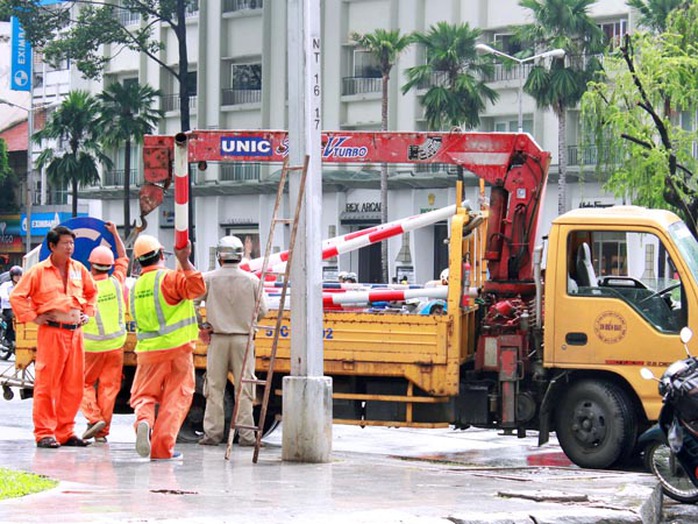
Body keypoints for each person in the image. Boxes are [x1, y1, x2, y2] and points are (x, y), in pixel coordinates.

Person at [10, 225, 98, 449]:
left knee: (73, 385)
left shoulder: (78, 269)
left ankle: (65, 431)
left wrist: (88, 313)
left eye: (72, 243)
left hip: (75, 334)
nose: (70, 247)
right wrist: (33, 317)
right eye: (65, 244)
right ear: (52, 246)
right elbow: (17, 296)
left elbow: (92, 292)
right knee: (47, 384)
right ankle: (44, 433)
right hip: (51, 333)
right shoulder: (38, 271)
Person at [129, 235, 205, 460]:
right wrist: (184, 261)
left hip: (147, 351)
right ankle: (161, 450)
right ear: (162, 255)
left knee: (143, 395)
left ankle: (143, 420)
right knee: (176, 399)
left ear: (139, 261)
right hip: (177, 351)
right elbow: (197, 288)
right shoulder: (169, 278)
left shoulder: (135, 287)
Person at [196, 235, 268, 447]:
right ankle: (247, 436)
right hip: (244, 340)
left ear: (219, 256)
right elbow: (263, 309)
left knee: (215, 388)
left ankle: (212, 435)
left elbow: (192, 304)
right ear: (239, 256)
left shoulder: (208, 278)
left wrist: (203, 325)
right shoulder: (252, 280)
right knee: (244, 388)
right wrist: (248, 321)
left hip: (217, 339)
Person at [80, 222, 129, 443]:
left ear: (90, 264)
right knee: (109, 388)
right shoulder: (117, 282)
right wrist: (116, 234)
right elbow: (123, 257)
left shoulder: (84, 286)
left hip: (91, 347)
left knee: (82, 383)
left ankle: (94, 418)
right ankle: (101, 433)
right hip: (116, 345)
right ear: (109, 266)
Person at [0, 265, 23, 349]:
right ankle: (7, 339)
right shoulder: (5, 285)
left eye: (20, 275)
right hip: (8, 308)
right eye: (16, 275)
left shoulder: (22, 285)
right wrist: (11, 299)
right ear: (12, 276)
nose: (18, 277)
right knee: (13, 316)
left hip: (19, 308)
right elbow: (3, 296)